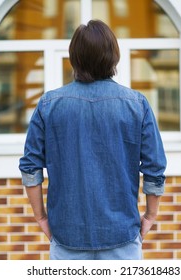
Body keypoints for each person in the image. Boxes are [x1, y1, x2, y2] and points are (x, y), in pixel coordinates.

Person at [19, 20, 166, 260]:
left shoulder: (49, 104)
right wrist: (150, 215)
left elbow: (30, 167)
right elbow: (155, 168)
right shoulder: (136, 104)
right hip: (122, 237)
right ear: (113, 57)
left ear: (74, 57)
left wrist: (41, 217)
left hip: (67, 236)